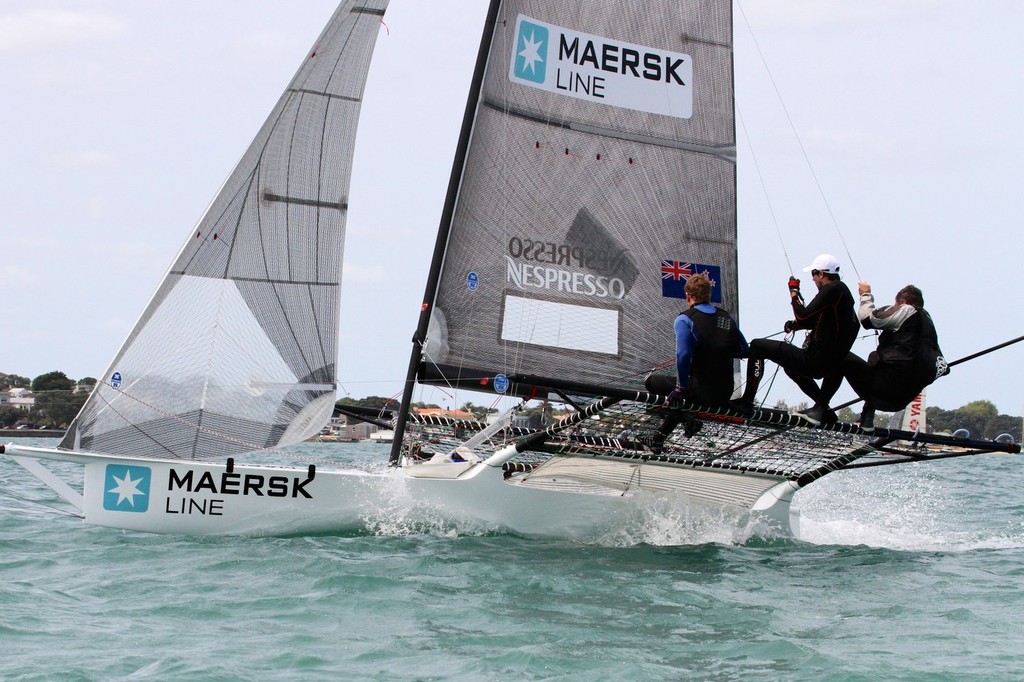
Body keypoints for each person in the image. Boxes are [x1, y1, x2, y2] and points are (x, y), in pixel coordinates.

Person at [733, 253, 858, 425]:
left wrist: (793, 293)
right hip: (830, 365)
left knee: (757, 346)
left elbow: (804, 316)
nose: (813, 280)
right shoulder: (845, 294)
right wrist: (796, 325)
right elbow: (822, 322)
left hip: (814, 361)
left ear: (821, 274)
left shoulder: (832, 289)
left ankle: (746, 402)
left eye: (813, 275)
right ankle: (823, 409)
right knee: (790, 368)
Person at [839, 282, 948, 432]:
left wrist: (865, 294)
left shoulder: (907, 310)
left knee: (838, 354)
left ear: (903, 303)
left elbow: (867, 319)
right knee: (879, 361)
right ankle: (867, 418)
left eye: (896, 305)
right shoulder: (927, 323)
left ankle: (820, 409)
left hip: (882, 393)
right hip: (901, 401)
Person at [645, 273, 749, 407]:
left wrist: (680, 388)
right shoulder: (726, 317)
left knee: (651, 382)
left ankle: (679, 417)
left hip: (701, 392)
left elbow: (683, 355)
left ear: (688, 296)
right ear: (708, 295)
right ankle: (685, 422)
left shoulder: (685, 319)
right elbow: (744, 350)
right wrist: (719, 348)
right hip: (725, 393)